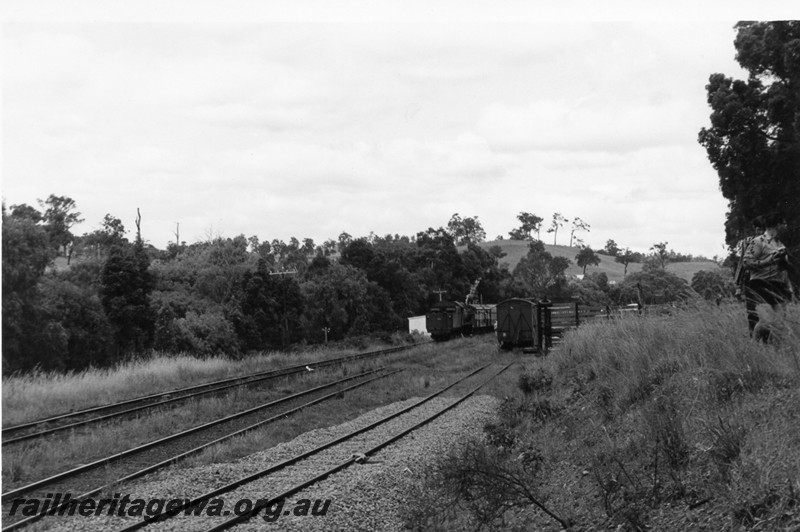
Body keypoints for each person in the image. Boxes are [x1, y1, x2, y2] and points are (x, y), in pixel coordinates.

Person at [742, 213, 794, 342]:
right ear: (777, 225)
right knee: (766, 321)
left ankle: (773, 352)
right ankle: (754, 346)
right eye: (784, 224)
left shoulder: (781, 245)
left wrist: (789, 286)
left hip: (779, 285)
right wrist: (768, 261)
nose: (786, 227)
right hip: (760, 284)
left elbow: (783, 269)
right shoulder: (758, 241)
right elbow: (746, 263)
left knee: (779, 323)